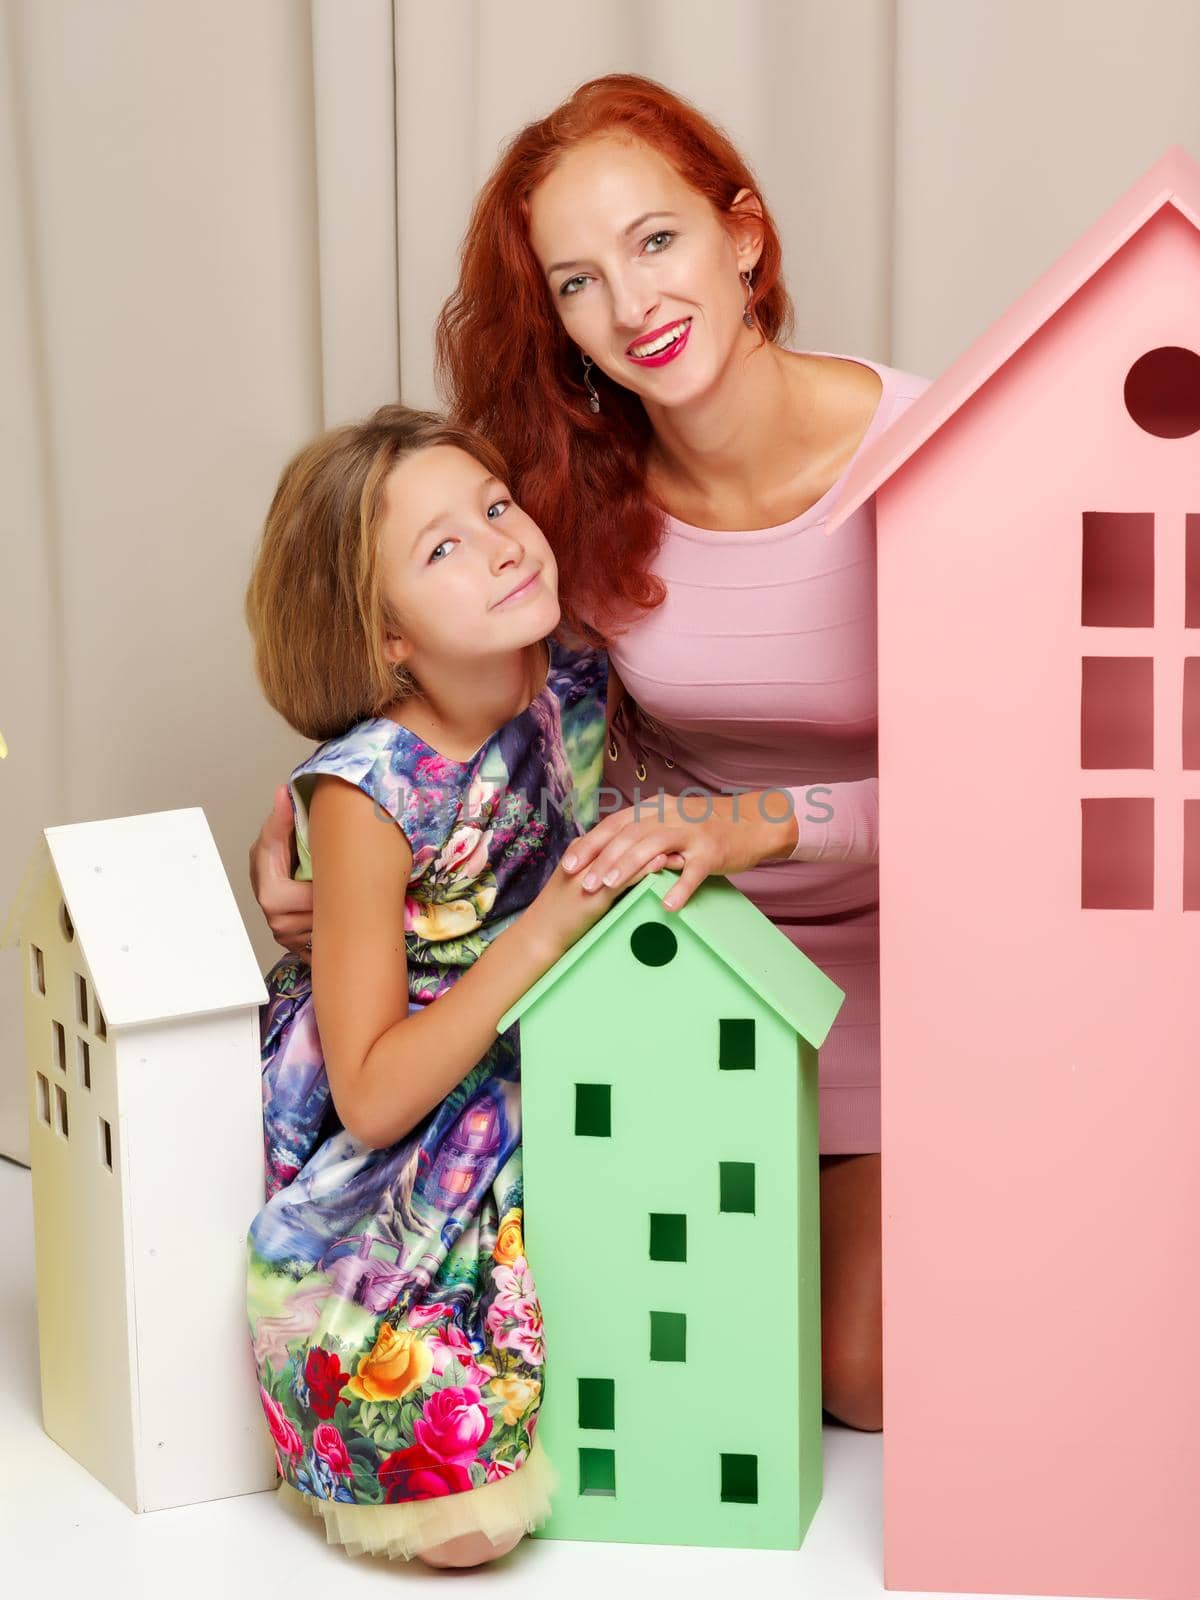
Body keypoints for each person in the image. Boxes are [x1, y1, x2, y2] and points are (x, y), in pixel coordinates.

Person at [251, 74, 933, 1433]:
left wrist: (758, 822)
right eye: (576, 281)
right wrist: (305, 831)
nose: (631, 307)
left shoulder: (937, 450)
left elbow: (1019, 779)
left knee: (863, 1374)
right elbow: (418, 680)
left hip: (919, 965)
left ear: (743, 234)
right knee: (670, 1346)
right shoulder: (555, 491)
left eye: (656, 242)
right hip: (661, 964)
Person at [243, 405, 672, 1568]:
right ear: (386, 636)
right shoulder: (370, 790)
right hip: (425, 1099)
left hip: (575, 1038)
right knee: (464, 1521)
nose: (499, 543)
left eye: (494, 507)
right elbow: (373, 1093)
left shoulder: (573, 680)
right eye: (443, 548)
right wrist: (539, 938)